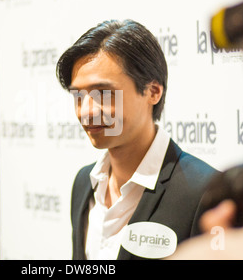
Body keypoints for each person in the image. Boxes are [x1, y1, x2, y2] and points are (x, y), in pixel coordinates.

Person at [56, 19, 218, 260]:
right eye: (78, 96)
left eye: (102, 93)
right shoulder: (84, 183)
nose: (86, 111)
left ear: (153, 91)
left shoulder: (204, 191)